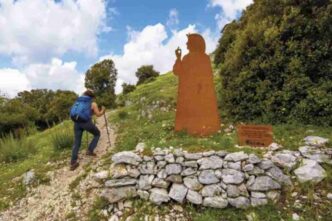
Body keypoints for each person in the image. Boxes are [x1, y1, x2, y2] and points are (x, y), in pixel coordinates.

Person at [173, 33, 220, 136]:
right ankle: (204, 129)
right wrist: (178, 57)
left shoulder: (188, 58)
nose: (186, 44)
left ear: (194, 44)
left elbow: (177, 71)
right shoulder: (205, 58)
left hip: (192, 93)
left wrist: (178, 58)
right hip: (200, 93)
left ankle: (190, 130)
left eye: (188, 42)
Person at [70, 89, 105, 170]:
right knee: (97, 134)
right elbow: (98, 115)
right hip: (86, 123)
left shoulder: (78, 102)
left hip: (76, 123)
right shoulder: (92, 103)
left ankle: (73, 162)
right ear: (92, 97)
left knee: (77, 142)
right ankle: (90, 150)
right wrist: (103, 110)